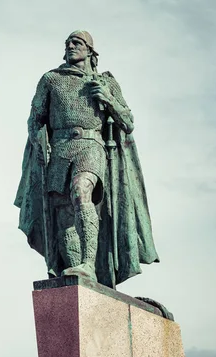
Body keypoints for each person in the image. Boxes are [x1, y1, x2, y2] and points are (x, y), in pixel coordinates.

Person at [14, 30, 159, 287]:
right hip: (59, 149)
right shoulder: (51, 79)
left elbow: (127, 122)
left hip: (90, 144)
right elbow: (35, 118)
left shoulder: (106, 82)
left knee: (81, 191)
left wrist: (108, 99)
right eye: (68, 43)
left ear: (90, 51)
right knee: (65, 216)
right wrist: (39, 144)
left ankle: (89, 265)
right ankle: (74, 273)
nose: (71, 46)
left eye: (77, 43)